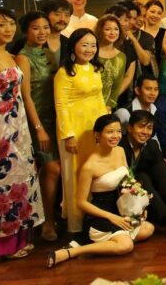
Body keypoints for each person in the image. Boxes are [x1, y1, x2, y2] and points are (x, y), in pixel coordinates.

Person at [0, 8, 45, 259]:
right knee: (2, 186)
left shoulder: (8, 55)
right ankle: (4, 245)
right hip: (0, 127)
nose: (8, 29)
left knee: (20, 181)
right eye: (1, 24)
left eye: (11, 24)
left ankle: (19, 239)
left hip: (18, 127)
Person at [46, 115, 154, 268]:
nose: (116, 136)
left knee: (148, 229)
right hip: (100, 215)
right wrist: (112, 217)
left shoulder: (120, 151)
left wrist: (137, 206)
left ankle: (102, 240)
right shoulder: (90, 166)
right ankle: (72, 252)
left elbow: (128, 180)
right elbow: (81, 203)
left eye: (118, 131)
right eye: (110, 132)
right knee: (126, 246)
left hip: (120, 209)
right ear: (97, 135)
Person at [55, 28, 108, 234]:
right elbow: (60, 104)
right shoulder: (65, 72)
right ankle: (76, 223)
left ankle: (96, 218)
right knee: (75, 173)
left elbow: (100, 98)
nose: (89, 49)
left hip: (93, 127)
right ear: (73, 46)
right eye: (84, 45)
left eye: (93, 45)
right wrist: (68, 135)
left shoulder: (95, 68)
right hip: (74, 128)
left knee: (95, 170)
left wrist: (105, 126)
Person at [14, 11, 60, 242]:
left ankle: (47, 216)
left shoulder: (48, 53)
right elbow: (26, 97)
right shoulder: (23, 57)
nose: (42, 32)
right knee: (52, 168)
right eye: (36, 28)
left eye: (45, 27)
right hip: (37, 120)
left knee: (53, 171)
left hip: (56, 118)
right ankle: (47, 222)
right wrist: (39, 128)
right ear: (25, 31)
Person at [119, 110, 166, 233]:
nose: (145, 132)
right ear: (129, 128)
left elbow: (162, 174)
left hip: (146, 186)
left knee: (160, 170)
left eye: (149, 128)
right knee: (143, 178)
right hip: (124, 189)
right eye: (141, 126)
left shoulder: (152, 145)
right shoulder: (120, 146)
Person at [95, 15, 135, 109]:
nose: (112, 33)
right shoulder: (92, 52)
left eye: (116, 29)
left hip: (107, 106)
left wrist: (109, 105)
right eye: (107, 29)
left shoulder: (121, 57)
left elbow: (117, 86)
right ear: (100, 30)